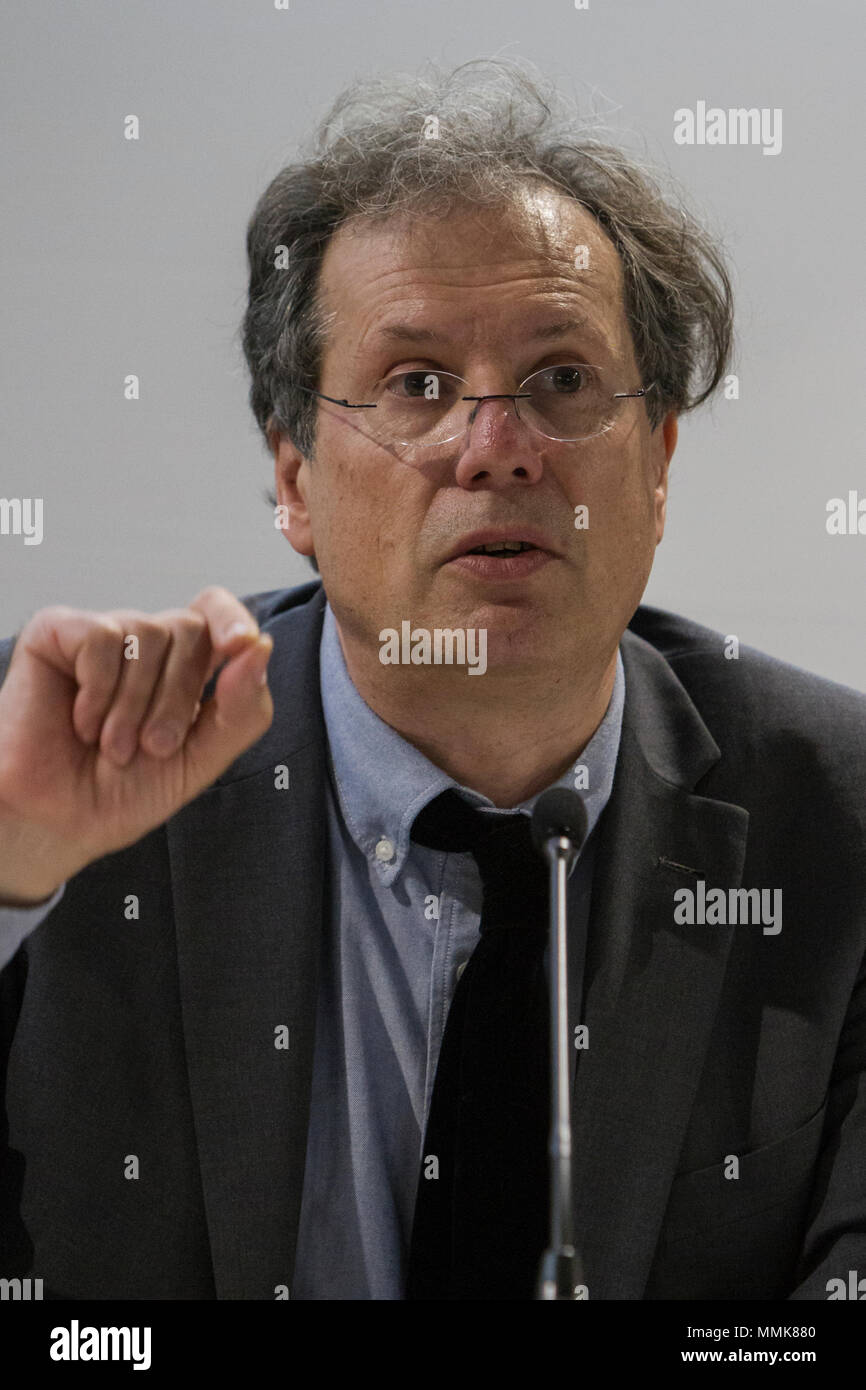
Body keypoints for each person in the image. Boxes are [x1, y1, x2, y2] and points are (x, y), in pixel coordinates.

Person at [0, 60, 863, 1301]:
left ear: (658, 462)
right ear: (293, 478)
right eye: (415, 385)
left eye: (561, 379)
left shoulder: (840, 819)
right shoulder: (78, 766)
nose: (494, 446)